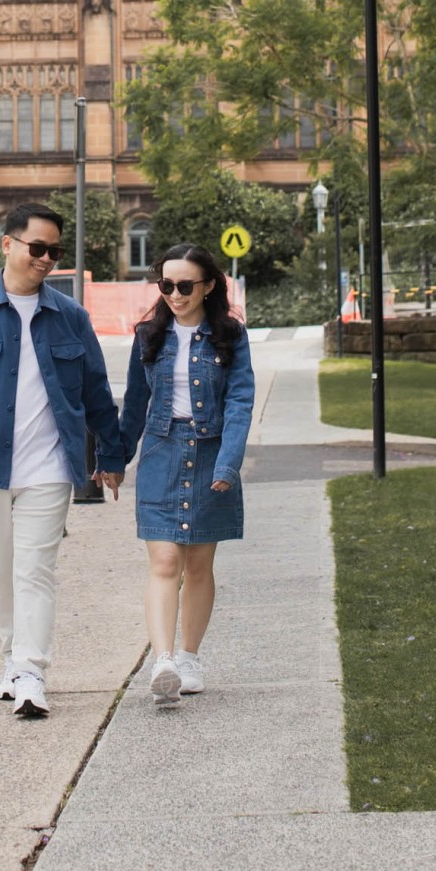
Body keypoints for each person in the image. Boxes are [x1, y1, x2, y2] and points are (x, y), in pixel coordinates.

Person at [0, 201, 126, 720]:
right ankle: (12, 659)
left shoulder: (70, 317)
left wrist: (111, 453)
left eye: (54, 252)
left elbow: (95, 390)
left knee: (35, 570)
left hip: (49, 466)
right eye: (37, 248)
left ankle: (32, 671)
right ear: (8, 244)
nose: (45, 259)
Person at [118, 244, 255, 707]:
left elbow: (240, 402)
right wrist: (115, 460)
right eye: (166, 285)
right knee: (163, 562)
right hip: (161, 452)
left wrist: (228, 463)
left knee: (198, 565)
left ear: (208, 286)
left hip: (210, 451)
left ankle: (189, 657)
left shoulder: (230, 336)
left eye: (184, 286)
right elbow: (134, 405)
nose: (175, 295)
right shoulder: (149, 335)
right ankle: (163, 661)